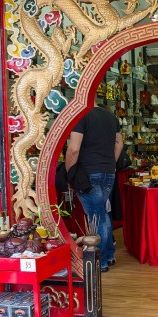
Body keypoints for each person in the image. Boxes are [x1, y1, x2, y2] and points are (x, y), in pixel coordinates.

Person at [65, 104, 123, 272]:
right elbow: (118, 144)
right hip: (107, 172)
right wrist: (111, 164)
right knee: (102, 213)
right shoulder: (111, 117)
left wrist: (70, 172)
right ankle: (109, 255)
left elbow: (74, 148)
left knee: (96, 216)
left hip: (88, 173)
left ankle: (101, 260)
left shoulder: (80, 115)